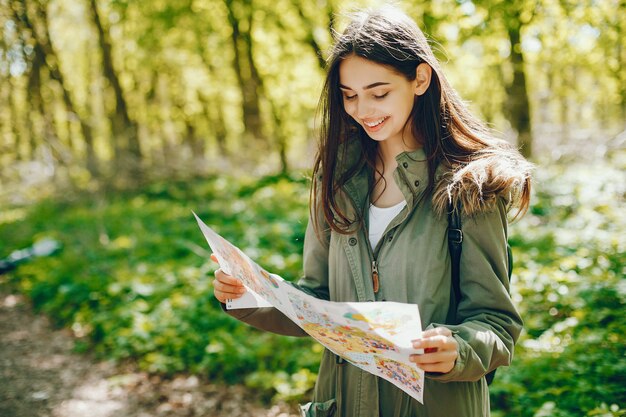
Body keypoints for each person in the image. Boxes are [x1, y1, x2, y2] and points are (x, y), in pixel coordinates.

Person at [211, 5, 532, 417]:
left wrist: (459, 348)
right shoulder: (337, 181)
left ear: (420, 79)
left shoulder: (472, 187)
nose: (363, 110)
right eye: (350, 96)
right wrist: (250, 295)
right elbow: (318, 300)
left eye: (379, 93)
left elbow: (496, 322)